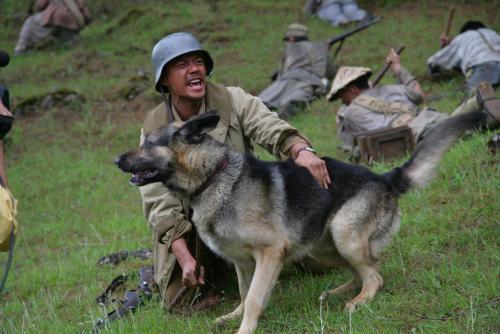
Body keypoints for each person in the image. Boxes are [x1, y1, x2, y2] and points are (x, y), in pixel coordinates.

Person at [139, 32, 331, 310]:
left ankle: (269, 250)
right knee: (178, 301)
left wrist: (301, 151)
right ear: (165, 80)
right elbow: (158, 200)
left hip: (251, 209)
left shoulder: (232, 99)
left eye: (198, 62)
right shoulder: (154, 127)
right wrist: (184, 257)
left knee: (323, 262)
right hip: (193, 223)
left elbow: (269, 126)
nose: (194, 69)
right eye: (181, 65)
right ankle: (222, 264)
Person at [327, 48, 451, 152]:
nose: (341, 99)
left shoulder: (350, 112)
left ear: (352, 89)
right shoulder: (392, 89)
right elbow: (419, 95)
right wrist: (397, 68)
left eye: (341, 94)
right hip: (435, 118)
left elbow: (351, 140)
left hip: (419, 134)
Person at [258, 23, 335, 119]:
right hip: (309, 80)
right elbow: (330, 73)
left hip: (287, 78)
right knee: (298, 95)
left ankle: (254, 109)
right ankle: (289, 105)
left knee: (265, 98)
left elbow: (282, 72)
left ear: (291, 38)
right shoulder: (318, 47)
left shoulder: (288, 49)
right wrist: (324, 51)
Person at [427, 21, 500, 94]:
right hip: (492, 65)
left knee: (470, 92)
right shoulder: (493, 34)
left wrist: (445, 48)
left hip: (486, 67)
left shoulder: (462, 37)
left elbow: (434, 61)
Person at [14, 0, 92, 55]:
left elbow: (40, 4)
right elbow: (82, 5)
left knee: (30, 21)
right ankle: (69, 41)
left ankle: (21, 49)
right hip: (75, 19)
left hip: (58, 15)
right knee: (63, 36)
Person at [304, 0, 370, 27]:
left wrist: (308, 11)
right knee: (333, 12)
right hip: (332, 4)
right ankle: (342, 21)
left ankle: (362, 16)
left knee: (350, 10)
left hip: (341, 3)